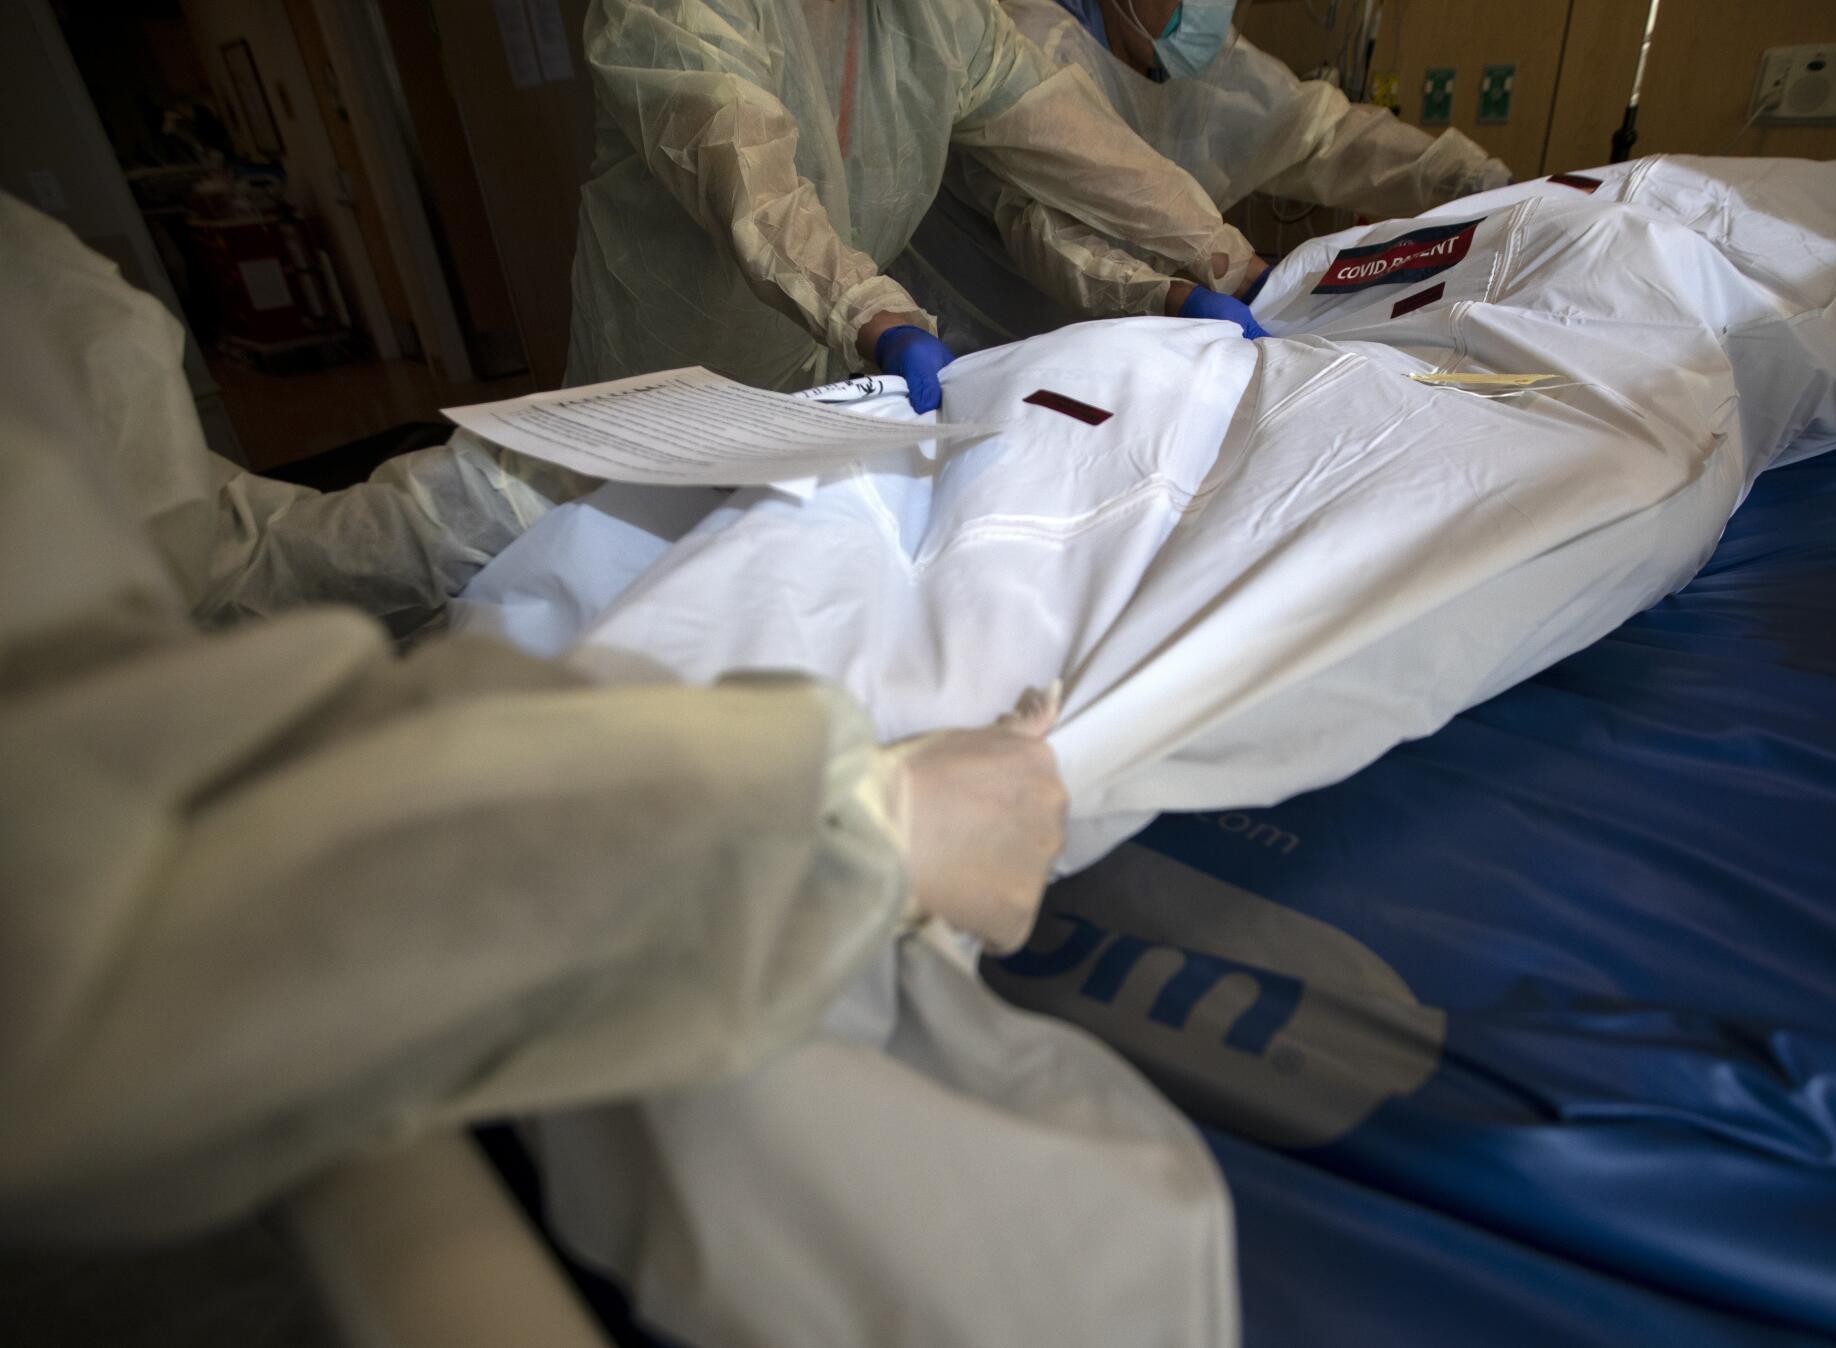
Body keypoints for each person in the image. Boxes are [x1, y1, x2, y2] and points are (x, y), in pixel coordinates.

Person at [0, 194, 1068, 1243]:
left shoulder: (38, 276)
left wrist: (456, 504)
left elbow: (193, 558)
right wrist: (838, 823)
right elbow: (89, 948)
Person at [565, 0, 1272, 412]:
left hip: (822, 388)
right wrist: (871, 314)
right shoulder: (677, 9)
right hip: (662, 396)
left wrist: (1218, 256)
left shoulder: (936, 16)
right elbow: (746, 178)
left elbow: (1064, 134)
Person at [894, 0, 1512, 350]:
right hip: (983, 343)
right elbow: (1041, 226)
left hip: (1148, 352)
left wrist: (1466, 181)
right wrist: (1189, 281)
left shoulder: (1205, 67)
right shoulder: (1032, 47)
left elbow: (1321, 133)